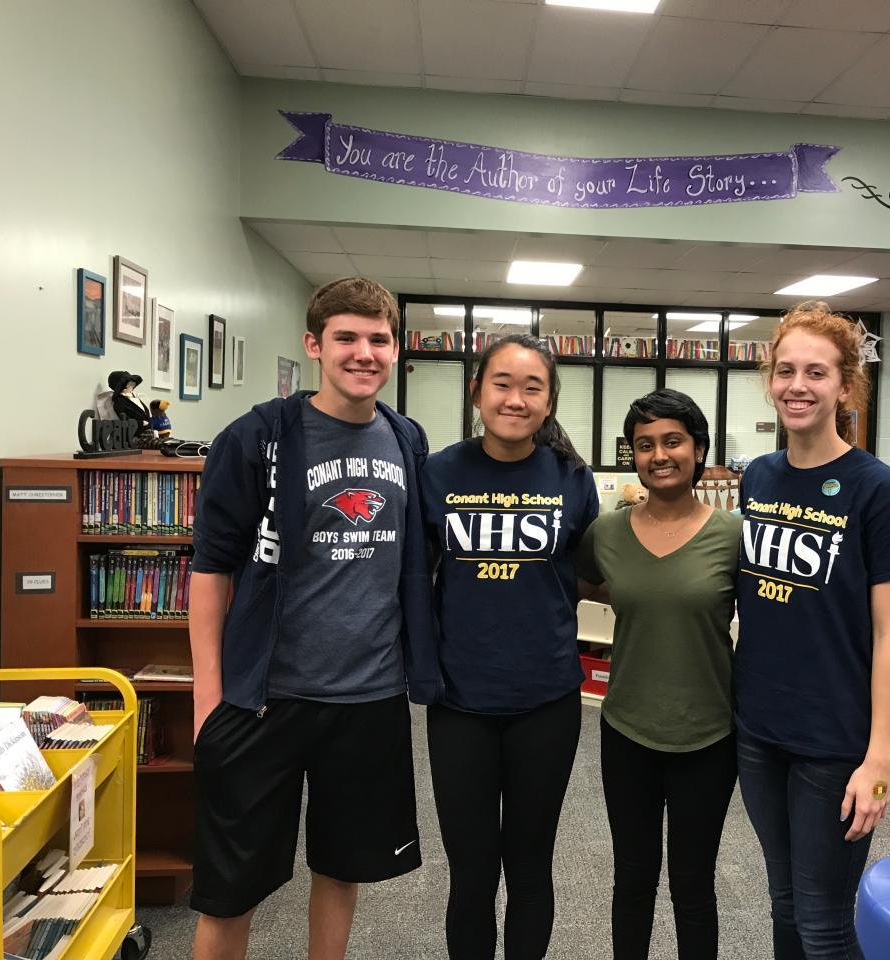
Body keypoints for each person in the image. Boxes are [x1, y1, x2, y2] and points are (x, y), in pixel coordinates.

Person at [188, 278, 438, 960]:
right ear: (314, 345)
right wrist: (208, 702)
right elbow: (210, 569)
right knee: (230, 889)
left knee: (341, 867)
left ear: (396, 348)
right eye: (345, 337)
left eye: (378, 339)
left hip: (368, 697)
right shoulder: (258, 437)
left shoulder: (406, 439)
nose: (364, 353)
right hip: (264, 699)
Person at [734, 301, 890, 959]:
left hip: (837, 742)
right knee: (784, 905)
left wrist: (879, 760)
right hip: (759, 729)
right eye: (786, 370)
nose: (798, 386)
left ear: (845, 387)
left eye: (816, 373)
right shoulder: (758, 477)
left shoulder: (878, 490)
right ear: (770, 379)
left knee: (823, 924)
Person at [420, 333, 599, 960]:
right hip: (459, 701)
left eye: (532, 388)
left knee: (530, 866)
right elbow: (415, 576)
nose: (515, 399)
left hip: (546, 700)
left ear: (549, 402)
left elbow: (587, 574)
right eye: (502, 384)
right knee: (471, 872)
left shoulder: (572, 477)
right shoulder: (438, 472)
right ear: (477, 392)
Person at [576, 389, 741, 960]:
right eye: (644, 445)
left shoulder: (732, 535)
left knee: (693, 884)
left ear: (699, 449)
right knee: (633, 878)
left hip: (709, 734)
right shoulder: (606, 532)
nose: (659, 455)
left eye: (673, 441)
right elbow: (578, 588)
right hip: (627, 731)